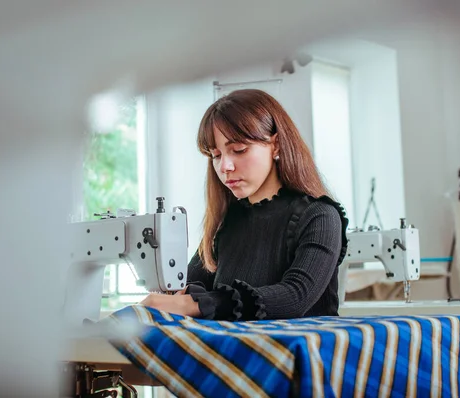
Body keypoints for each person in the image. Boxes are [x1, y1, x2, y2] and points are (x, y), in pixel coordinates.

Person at [139, 89, 349, 320]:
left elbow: (295, 296)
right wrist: (173, 296)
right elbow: (187, 285)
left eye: (239, 150)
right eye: (215, 155)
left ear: (276, 145)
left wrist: (193, 304)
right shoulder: (228, 223)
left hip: (300, 352)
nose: (224, 166)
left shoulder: (320, 216)